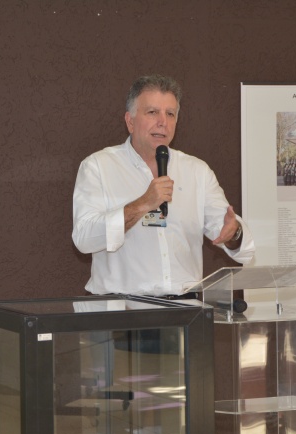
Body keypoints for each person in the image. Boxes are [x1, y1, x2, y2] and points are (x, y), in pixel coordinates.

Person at [72, 75, 255, 297]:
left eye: (170, 114)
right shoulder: (98, 167)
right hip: (121, 314)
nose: (163, 122)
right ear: (130, 121)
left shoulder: (196, 171)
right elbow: (83, 239)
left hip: (185, 313)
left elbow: (243, 249)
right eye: (152, 112)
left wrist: (233, 233)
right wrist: (142, 204)